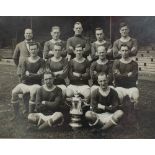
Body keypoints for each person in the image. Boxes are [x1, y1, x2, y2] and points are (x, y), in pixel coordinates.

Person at [11, 42, 45, 120]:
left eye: (35, 49)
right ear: (29, 50)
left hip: (36, 84)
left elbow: (41, 75)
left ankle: (31, 115)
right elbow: (23, 76)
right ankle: (17, 115)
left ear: (38, 50)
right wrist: (35, 74)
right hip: (25, 84)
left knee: (33, 92)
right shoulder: (25, 61)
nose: (33, 51)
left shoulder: (42, 61)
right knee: (14, 92)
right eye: (31, 49)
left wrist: (29, 74)